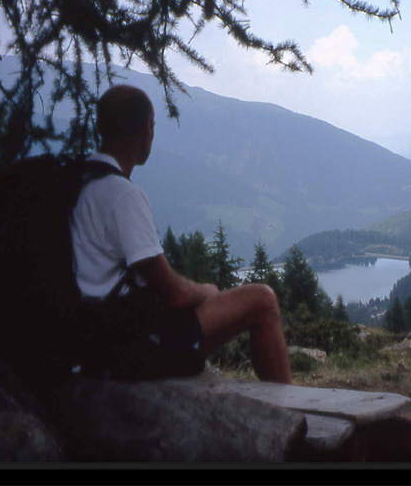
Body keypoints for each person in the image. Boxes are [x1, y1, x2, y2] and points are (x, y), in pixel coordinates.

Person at [70, 84, 292, 384]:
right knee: (261, 300)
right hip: (121, 348)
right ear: (147, 128)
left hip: (87, 339)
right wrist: (208, 291)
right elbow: (173, 294)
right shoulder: (121, 195)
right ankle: (290, 413)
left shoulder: (79, 183)